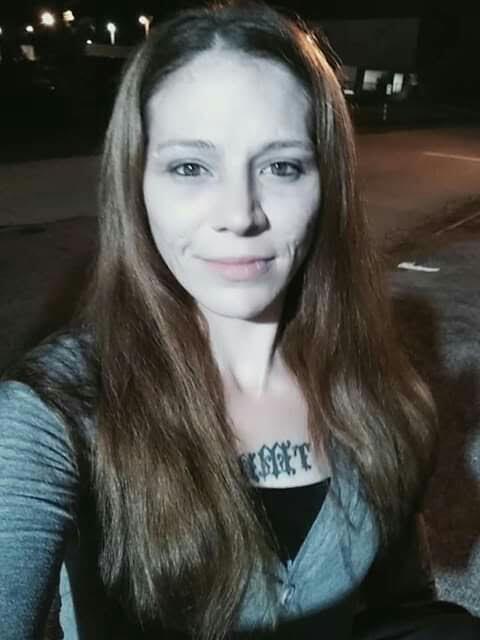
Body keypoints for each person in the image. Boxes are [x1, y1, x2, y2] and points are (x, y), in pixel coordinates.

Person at [0, 2, 479, 639]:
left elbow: (403, 604)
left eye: (281, 166)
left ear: (327, 185)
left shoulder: (377, 387)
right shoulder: (54, 412)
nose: (239, 214)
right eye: (190, 167)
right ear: (136, 185)